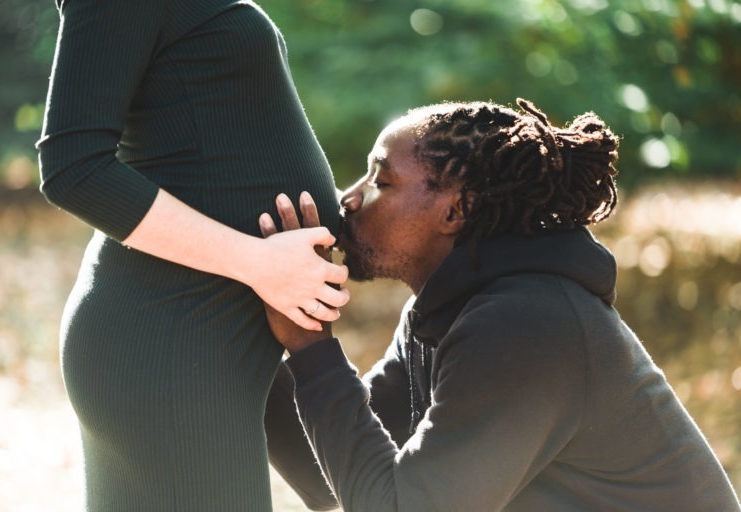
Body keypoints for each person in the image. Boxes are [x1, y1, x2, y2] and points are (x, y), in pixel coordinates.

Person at [260, 99, 741, 511]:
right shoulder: (450, 313)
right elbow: (319, 470)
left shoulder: (527, 325)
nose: (349, 198)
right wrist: (255, 299)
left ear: (457, 210)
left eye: (381, 182)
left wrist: (311, 346)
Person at [35, 0, 349, 510]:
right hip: (174, 331)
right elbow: (73, 168)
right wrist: (258, 262)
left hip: (239, 326)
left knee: (349, 481)